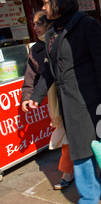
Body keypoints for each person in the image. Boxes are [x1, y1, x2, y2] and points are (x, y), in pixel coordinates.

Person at [27, 0, 101, 204]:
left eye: (46, 2)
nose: (43, 7)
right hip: (71, 103)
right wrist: (36, 97)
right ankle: (89, 196)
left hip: (94, 97)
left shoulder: (86, 25)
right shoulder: (51, 34)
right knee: (79, 149)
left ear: (58, 1)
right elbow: (49, 70)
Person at [21, 10, 74, 190]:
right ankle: (71, 172)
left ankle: (81, 171)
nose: (34, 27)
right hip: (55, 103)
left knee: (77, 134)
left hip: (72, 95)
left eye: (38, 23)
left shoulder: (62, 40)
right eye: (33, 23)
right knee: (66, 135)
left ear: (49, 24)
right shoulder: (35, 50)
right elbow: (30, 77)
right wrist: (27, 97)